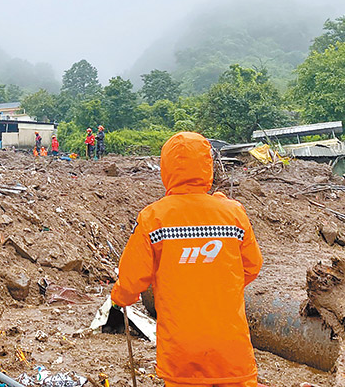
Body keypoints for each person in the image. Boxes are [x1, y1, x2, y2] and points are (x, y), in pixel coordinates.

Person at [111, 132, 263, 387]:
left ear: (166, 168)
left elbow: (131, 278)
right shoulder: (233, 214)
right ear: (207, 166)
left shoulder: (154, 218)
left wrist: (121, 297)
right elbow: (252, 267)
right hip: (230, 345)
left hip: (181, 349)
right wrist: (217, 285)